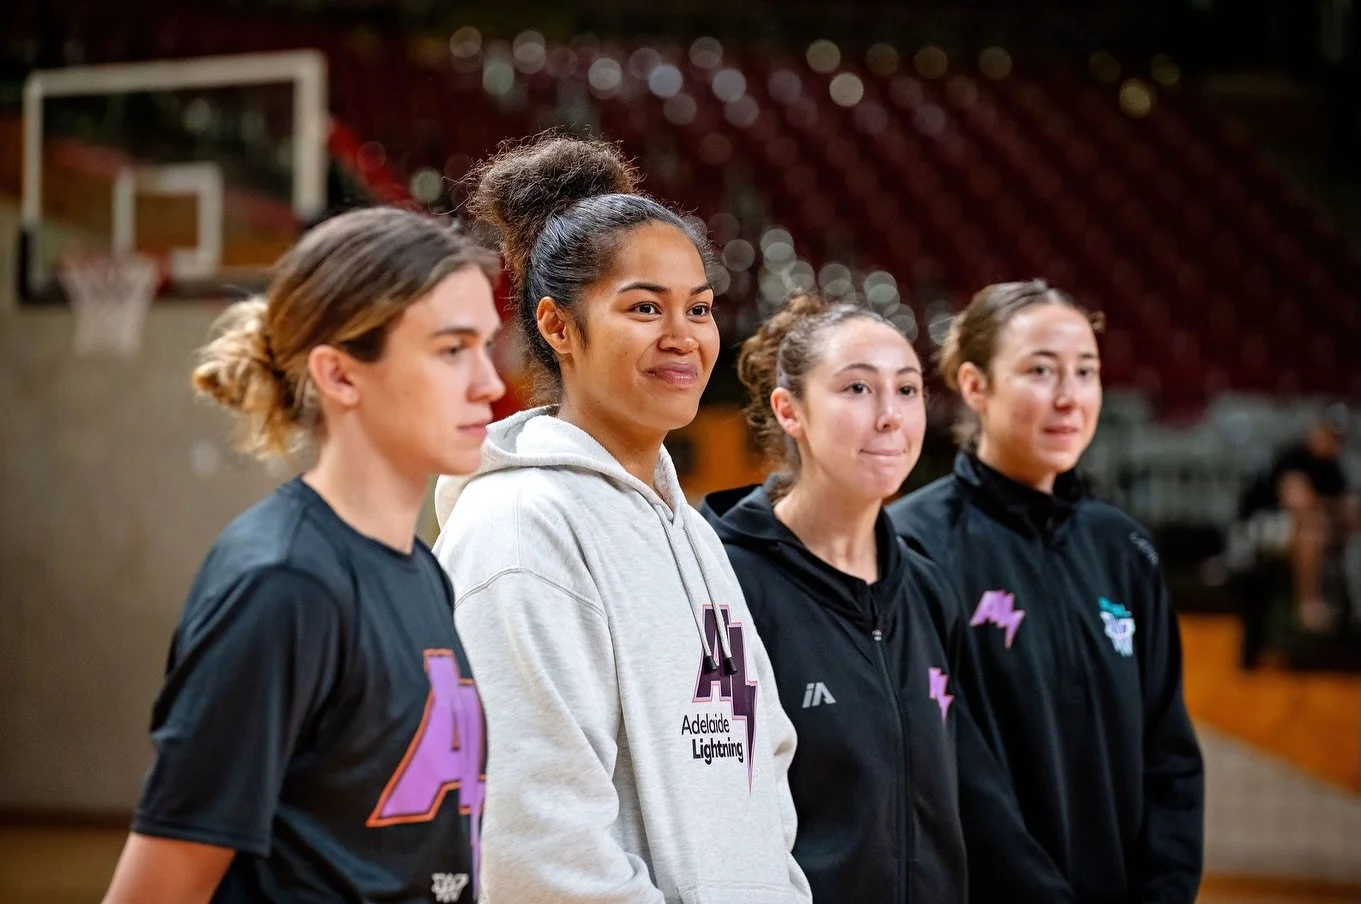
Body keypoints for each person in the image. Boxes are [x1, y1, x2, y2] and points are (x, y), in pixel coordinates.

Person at [430, 135, 811, 904]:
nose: (683, 336)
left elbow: (760, 765)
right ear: (557, 327)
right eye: (643, 308)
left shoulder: (690, 531)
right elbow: (532, 841)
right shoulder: (518, 528)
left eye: (697, 308)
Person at [101, 206, 505, 904]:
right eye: (451, 350)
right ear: (340, 376)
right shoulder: (284, 584)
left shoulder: (423, 572)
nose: (489, 383)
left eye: (487, 346)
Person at [888, 279, 1205, 903]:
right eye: (1040, 371)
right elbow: (948, 769)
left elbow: (1170, 758)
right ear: (975, 386)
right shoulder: (913, 544)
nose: (1069, 397)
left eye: (1085, 372)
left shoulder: (1125, 549)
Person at [698, 292, 968, 902]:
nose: (890, 416)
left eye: (907, 389)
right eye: (857, 388)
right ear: (790, 410)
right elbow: (712, 812)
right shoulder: (724, 586)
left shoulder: (928, 589)